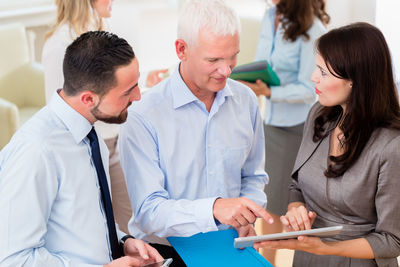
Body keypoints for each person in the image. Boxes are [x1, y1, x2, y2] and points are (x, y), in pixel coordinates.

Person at [119, 0, 273, 265]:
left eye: (232, 56)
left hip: (230, 246)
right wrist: (214, 209)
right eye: (213, 60)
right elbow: (148, 211)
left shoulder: (246, 100)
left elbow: (253, 175)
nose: (226, 70)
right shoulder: (143, 115)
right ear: (182, 49)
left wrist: (245, 213)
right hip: (165, 252)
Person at [0, 31, 163, 266]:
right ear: (88, 99)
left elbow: (85, 220)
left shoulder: (88, 131)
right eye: (128, 91)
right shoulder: (36, 151)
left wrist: (122, 241)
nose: (137, 96)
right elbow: (14, 259)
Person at [255, 22, 400, 266]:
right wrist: (295, 208)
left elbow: (392, 240)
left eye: (323, 72)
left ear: (355, 79)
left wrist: (326, 248)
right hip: (308, 256)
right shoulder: (319, 116)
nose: (313, 77)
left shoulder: (391, 146)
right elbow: (296, 184)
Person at [41, 0, 166, 233]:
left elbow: (108, 86)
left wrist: (145, 79)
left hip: (113, 141)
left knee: (129, 222)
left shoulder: (101, 32)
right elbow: (61, 108)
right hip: (87, 145)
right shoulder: (59, 46)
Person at [238, 0, 329, 263]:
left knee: (280, 200)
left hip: (296, 128)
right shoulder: (270, 16)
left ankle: (269, 258)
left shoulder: (313, 29)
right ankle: (267, 257)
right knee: (270, 198)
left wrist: (270, 92)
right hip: (270, 121)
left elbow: (308, 87)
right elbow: (264, 61)